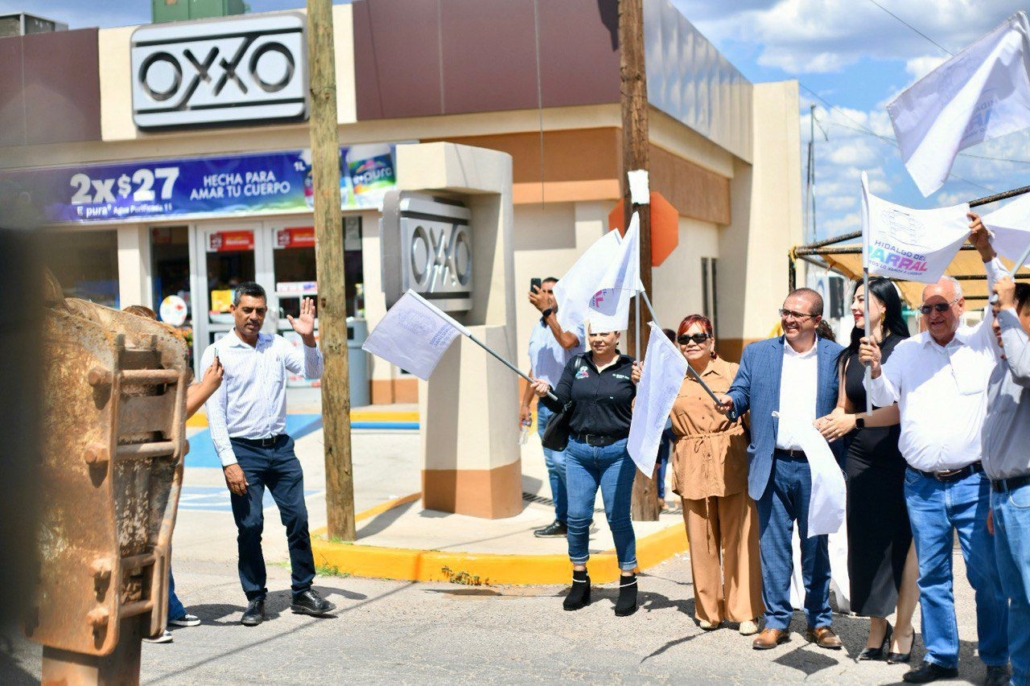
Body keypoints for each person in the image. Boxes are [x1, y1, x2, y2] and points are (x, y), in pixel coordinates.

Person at [860, 217, 1010, 685]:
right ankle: (942, 657)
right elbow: (882, 398)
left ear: (961, 306)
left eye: (942, 305)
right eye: (927, 308)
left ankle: (996, 659)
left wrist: (986, 253)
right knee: (932, 577)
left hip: (973, 483)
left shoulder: (981, 344)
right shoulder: (907, 351)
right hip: (921, 486)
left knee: (986, 577)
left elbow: (1002, 295)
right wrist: (874, 369)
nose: (934, 314)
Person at [715, 288, 846, 651]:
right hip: (771, 463)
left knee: (815, 547)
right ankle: (776, 621)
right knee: (773, 548)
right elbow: (741, 391)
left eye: (797, 315)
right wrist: (730, 401)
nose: (788, 319)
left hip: (816, 466)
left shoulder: (836, 357)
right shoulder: (758, 353)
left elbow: (848, 405)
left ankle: (819, 621)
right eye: (785, 312)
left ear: (816, 320)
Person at [202, 282, 336, 627]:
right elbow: (215, 413)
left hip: (280, 449)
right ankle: (255, 598)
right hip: (243, 452)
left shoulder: (276, 345)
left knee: (298, 519)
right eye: (247, 309)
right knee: (250, 526)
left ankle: (302, 591)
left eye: (259, 311)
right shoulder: (217, 352)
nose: (253, 316)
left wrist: (308, 339)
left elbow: (313, 371)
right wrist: (229, 462)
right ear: (233, 310)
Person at [814, 279, 918, 663]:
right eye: (854, 299)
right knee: (865, 548)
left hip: (899, 462)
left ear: (884, 306)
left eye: (863, 299)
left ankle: (903, 629)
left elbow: (900, 410)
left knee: (900, 548)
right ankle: (877, 628)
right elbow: (844, 406)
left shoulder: (905, 350)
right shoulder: (849, 356)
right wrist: (827, 422)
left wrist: (853, 421)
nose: (855, 305)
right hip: (859, 462)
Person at [124, 305, 224, 644]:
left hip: (155, 466)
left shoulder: (156, 365)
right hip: (136, 469)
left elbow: (176, 401)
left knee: (159, 536)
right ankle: (148, 615)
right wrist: (207, 388)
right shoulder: (131, 371)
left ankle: (169, 607)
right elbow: (171, 415)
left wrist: (204, 384)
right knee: (146, 539)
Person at [531, 325, 640, 616]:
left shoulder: (631, 367)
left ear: (617, 335)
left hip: (618, 452)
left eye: (605, 334)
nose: (598, 339)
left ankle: (628, 580)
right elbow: (561, 403)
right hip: (579, 452)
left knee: (618, 518)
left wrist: (643, 384)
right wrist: (546, 393)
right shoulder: (577, 364)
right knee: (577, 518)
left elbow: (647, 408)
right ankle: (580, 578)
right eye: (593, 334)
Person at [665, 314, 763, 635]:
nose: (691, 343)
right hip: (691, 462)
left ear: (711, 341)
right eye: (684, 339)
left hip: (730, 460)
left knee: (740, 540)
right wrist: (644, 383)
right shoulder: (671, 378)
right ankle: (708, 610)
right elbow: (645, 414)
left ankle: (745, 610)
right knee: (701, 540)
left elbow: (752, 411)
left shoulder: (733, 371)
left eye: (698, 337)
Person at [983, 276, 1030, 686]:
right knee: (1019, 600)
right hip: (1004, 498)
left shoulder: (1022, 364)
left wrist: (1009, 302)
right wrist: (992, 499)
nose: (999, 324)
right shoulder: (1000, 369)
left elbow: (1024, 366)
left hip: (1026, 496)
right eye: (997, 317)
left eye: (1013, 315)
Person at [520, 277, 584, 538]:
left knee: (564, 463)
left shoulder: (570, 321)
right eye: (543, 291)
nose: (546, 296)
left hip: (566, 404)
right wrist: (525, 403)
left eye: (552, 292)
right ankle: (563, 520)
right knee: (553, 466)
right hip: (544, 405)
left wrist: (549, 313)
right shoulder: (538, 328)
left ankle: (580, 516)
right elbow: (536, 368)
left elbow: (568, 343)